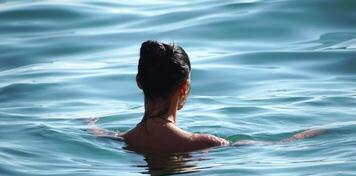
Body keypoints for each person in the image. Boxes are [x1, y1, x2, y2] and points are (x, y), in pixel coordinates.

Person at [88, 40, 324, 152]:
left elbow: (100, 134)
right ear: (184, 89)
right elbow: (274, 147)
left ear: (139, 83)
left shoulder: (121, 141)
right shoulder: (204, 143)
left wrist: (91, 125)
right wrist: (310, 134)